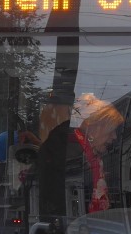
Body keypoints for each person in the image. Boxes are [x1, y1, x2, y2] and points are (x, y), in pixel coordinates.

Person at [38, 93, 124, 222]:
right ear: (94, 127)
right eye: (111, 130)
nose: (114, 137)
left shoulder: (87, 152)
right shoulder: (69, 152)